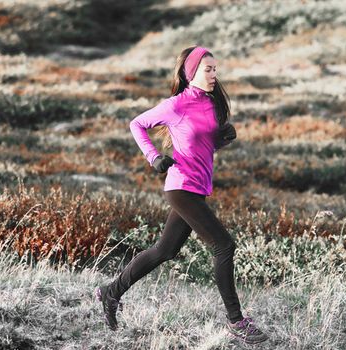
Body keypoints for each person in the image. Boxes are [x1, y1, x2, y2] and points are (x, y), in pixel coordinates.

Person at [94, 45, 268, 345]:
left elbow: (201, 145)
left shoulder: (211, 105)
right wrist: (154, 157)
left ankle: (111, 291)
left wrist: (221, 140)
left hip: (197, 188)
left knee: (165, 251)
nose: (214, 74)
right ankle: (236, 321)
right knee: (224, 246)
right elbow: (137, 124)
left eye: (215, 69)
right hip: (180, 185)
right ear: (191, 74)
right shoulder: (175, 105)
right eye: (208, 69)